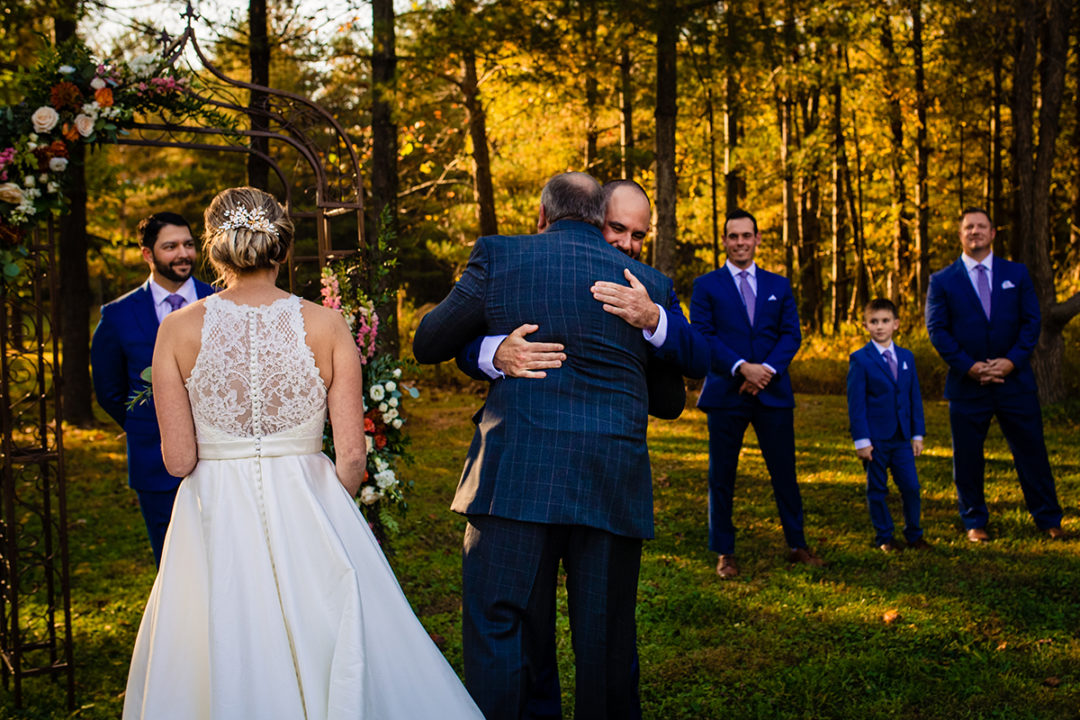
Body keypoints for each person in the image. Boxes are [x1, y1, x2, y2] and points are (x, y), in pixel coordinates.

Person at [122, 187, 482, 719]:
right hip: (312, 504)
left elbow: (178, 462)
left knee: (219, 640)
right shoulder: (328, 325)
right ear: (283, 249)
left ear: (215, 250)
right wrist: (316, 504)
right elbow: (353, 458)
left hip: (216, 514)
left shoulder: (176, 329)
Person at [413, 172, 680, 719]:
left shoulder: (499, 256)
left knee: (504, 627)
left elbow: (430, 340)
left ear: (542, 214)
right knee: (606, 642)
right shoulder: (646, 284)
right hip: (610, 480)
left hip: (515, 476)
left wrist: (489, 351)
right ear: (599, 216)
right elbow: (670, 399)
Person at [457, 180, 708, 391]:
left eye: (638, 235)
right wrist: (496, 353)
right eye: (617, 228)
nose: (627, 244)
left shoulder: (653, 289)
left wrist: (653, 318)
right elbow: (462, 341)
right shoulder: (536, 270)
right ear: (593, 220)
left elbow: (699, 360)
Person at [690, 208, 823, 579]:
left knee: (784, 472)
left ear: (758, 239)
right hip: (725, 394)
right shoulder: (706, 286)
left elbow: (790, 335)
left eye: (746, 236)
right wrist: (740, 368)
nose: (740, 243)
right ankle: (725, 552)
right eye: (733, 237)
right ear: (724, 241)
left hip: (773, 393)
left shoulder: (778, 285)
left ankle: (797, 544)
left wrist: (763, 372)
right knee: (722, 476)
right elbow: (703, 335)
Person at [925, 207, 1065, 542]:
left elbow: (1032, 323)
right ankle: (974, 521)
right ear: (960, 234)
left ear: (992, 233)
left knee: (1032, 451)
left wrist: (1011, 361)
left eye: (981, 226)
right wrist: (969, 366)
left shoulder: (1016, 274)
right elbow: (938, 330)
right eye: (968, 227)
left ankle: (1048, 519)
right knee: (968, 457)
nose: (975, 231)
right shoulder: (942, 280)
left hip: (1014, 381)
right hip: (966, 384)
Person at [90, 212, 215, 566]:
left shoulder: (223, 301)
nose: (183, 254)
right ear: (147, 254)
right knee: (173, 564)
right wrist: (146, 425)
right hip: (154, 461)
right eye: (170, 246)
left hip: (222, 459)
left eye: (189, 245)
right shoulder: (117, 316)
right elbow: (109, 392)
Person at [846, 298, 930, 553]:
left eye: (885, 321)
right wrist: (862, 441)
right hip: (876, 439)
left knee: (911, 487)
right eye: (874, 322)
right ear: (865, 325)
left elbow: (914, 396)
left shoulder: (906, 357)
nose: (879, 327)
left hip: (902, 437)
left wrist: (917, 434)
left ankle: (914, 535)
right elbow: (856, 403)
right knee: (878, 488)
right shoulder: (860, 360)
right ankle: (884, 536)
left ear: (896, 324)